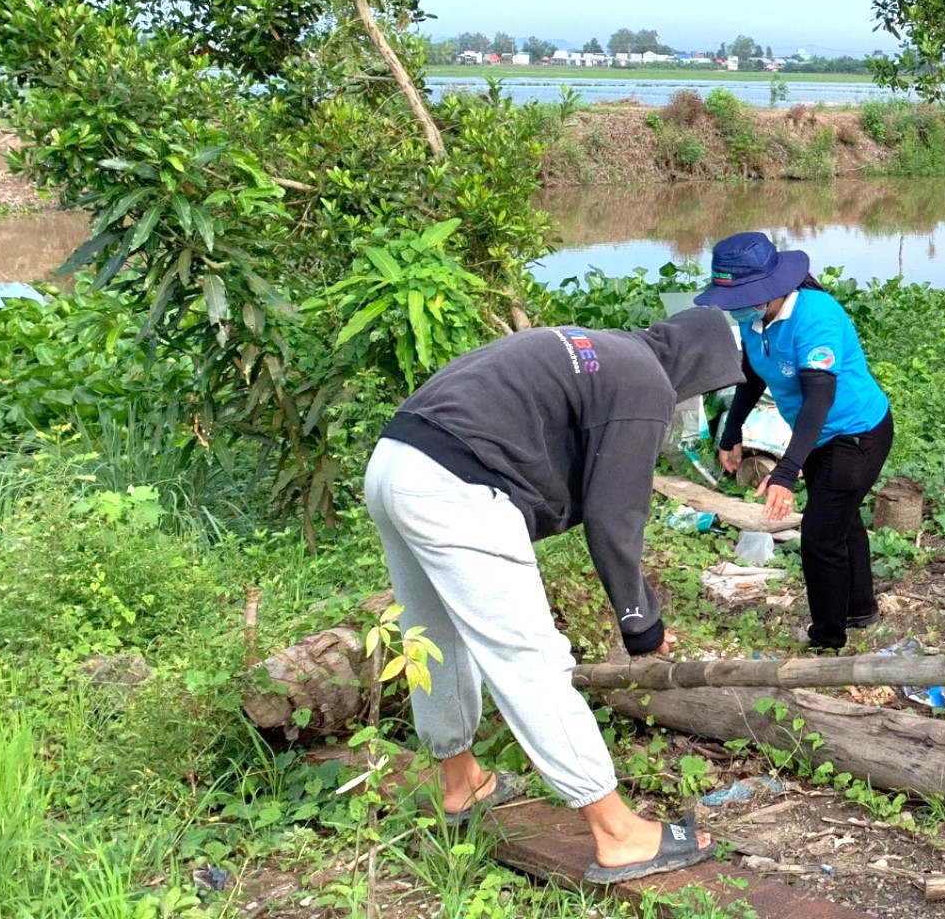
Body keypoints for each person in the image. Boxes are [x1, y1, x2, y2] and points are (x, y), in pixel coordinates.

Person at [366, 307, 743, 884]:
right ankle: (619, 834)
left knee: (431, 636)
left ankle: (460, 783)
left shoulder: (603, 348)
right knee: (531, 660)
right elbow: (614, 516)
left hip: (394, 462)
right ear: (700, 369)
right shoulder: (646, 384)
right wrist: (639, 619)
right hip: (455, 484)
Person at [701, 231, 893, 652]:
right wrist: (732, 431)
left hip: (856, 432)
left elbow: (818, 401)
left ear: (771, 287)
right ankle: (860, 609)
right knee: (842, 519)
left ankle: (827, 639)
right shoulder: (756, 319)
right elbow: (752, 375)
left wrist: (786, 472)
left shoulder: (816, 317)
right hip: (820, 437)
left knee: (821, 537)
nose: (735, 308)